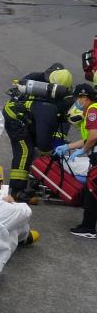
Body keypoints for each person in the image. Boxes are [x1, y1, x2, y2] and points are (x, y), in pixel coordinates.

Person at [7, 68, 74, 202]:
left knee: (31, 148)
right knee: (25, 151)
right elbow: (43, 143)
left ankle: (29, 180)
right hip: (15, 118)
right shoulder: (50, 108)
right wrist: (49, 151)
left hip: (27, 117)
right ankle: (16, 191)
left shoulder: (47, 95)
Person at [55, 83, 97, 238]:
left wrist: (82, 151)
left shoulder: (93, 110)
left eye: (78, 99)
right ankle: (88, 226)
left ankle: (88, 228)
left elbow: (93, 137)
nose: (77, 103)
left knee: (91, 191)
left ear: (85, 97)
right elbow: (88, 139)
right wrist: (68, 147)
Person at [0, 161, 38, 250]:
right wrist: (13, 203)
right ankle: (24, 237)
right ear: (0, 184)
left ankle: (25, 236)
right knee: (16, 221)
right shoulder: (5, 207)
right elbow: (27, 212)